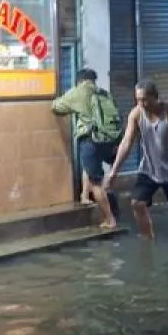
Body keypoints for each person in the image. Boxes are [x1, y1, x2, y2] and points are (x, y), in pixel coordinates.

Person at [103, 80, 168, 240]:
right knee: (137, 203)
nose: (141, 104)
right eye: (138, 100)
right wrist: (113, 171)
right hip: (149, 169)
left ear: (155, 97)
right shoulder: (136, 114)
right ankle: (147, 240)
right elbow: (126, 143)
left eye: (145, 100)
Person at [51, 69, 121, 229]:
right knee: (91, 169)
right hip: (109, 141)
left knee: (97, 183)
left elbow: (56, 107)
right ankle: (85, 196)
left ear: (79, 80)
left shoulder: (79, 92)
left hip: (91, 141)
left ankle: (110, 219)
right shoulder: (104, 94)